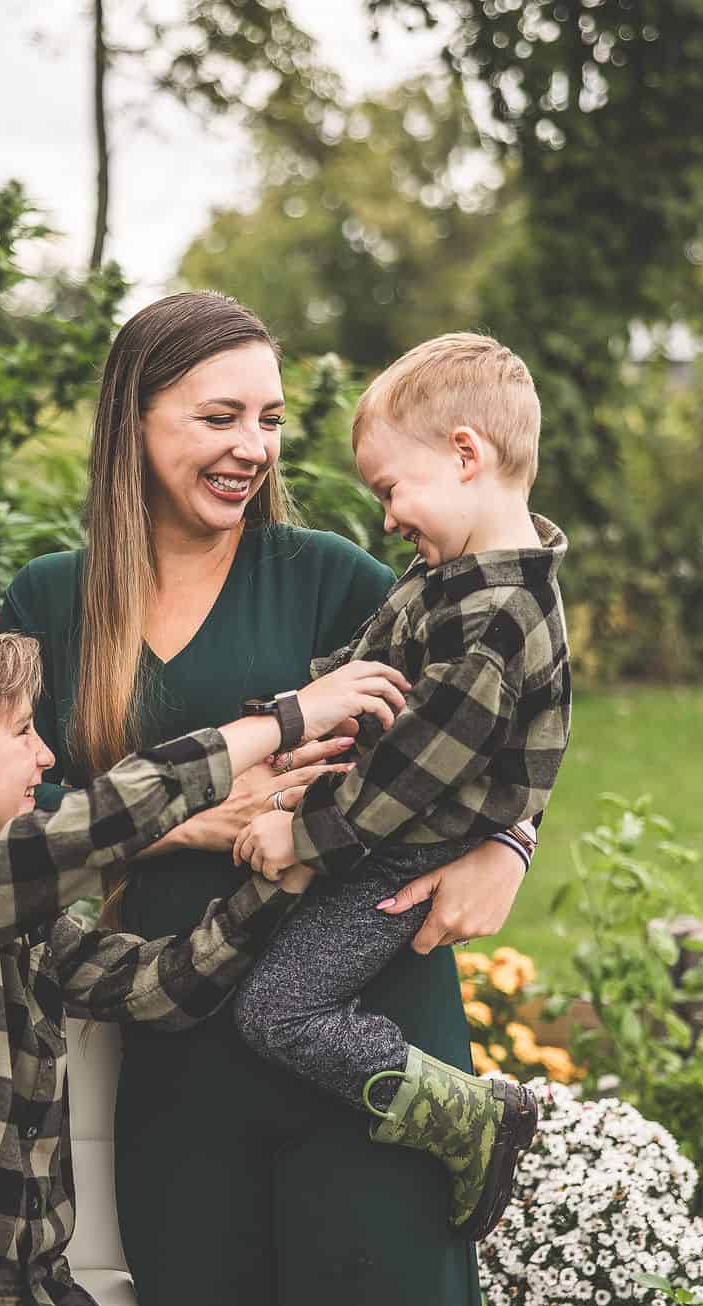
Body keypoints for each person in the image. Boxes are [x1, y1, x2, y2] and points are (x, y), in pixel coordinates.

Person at [0, 292, 536, 1306]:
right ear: (133, 422)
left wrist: (505, 844)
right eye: (217, 418)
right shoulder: (52, 604)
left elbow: (505, 680)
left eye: (269, 420)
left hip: (364, 1041)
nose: (250, 447)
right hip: (178, 1052)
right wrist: (188, 828)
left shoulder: (334, 578)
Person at [0, 630, 405, 1306]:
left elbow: (161, 988)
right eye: (22, 732)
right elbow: (82, 833)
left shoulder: (23, 921)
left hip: (31, 1302)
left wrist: (283, 872)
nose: (45, 756)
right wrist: (282, 721)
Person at [229, 331, 571, 1243]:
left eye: (390, 489)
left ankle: (474, 1118)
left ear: (467, 454)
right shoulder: (452, 576)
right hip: (386, 822)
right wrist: (296, 712)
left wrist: (300, 839)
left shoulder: (497, 619)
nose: (385, 519)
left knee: (281, 1010)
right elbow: (372, 660)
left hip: (409, 846)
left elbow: (410, 779)